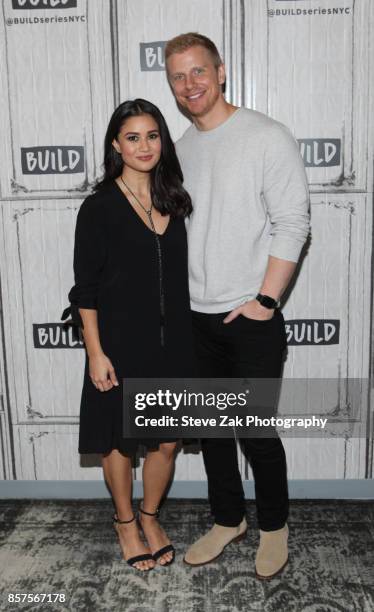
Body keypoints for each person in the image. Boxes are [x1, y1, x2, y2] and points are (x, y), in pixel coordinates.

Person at [165, 33, 310, 579]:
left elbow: (293, 222)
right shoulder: (179, 148)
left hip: (248, 319)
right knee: (213, 435)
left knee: (255, 433)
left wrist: (267, 300)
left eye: (198, 72)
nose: (190, 85)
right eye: (179, 77)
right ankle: (229, 520)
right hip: (194, 318)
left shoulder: (266, 136)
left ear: (221, 71)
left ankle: (274, 527)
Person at [61, 99, 194, 572]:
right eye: (132, 137)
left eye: (152, 135)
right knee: (118, 441)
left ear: (163, 141)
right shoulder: (98, 207)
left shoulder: (176, 199)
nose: (143, 145)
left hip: (174, 344)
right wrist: (94, 352)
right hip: (117, 345)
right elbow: (86, 289)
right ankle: (124, 523)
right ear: (116, 144)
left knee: (166, 442)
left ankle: (150, 516)